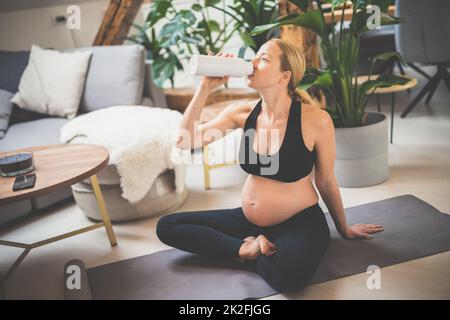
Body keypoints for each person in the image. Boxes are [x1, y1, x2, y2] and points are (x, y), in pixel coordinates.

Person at [156, 39, 384, 292]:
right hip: (247, 220)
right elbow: (184, 140)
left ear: (284, 76)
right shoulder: (242, 113)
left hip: (299, 223)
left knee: (291, 279)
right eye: (255, 56)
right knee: (167, 226)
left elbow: (326, 181)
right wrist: (204, 87)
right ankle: (245, 248)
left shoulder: (316, 120)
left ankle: (241, 250)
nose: (253, 62)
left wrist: (344, 228)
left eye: (263, 59)